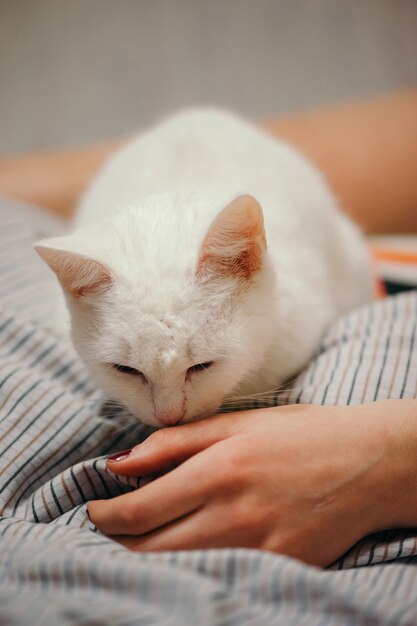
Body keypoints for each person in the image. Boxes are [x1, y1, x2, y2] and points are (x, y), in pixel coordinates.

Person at [1, 90, 416, 567]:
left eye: (200, 365)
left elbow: (351, 260)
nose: (168, 412)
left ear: (246, 265)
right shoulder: (90, 273)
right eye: (126, 370)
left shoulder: (300, 288)